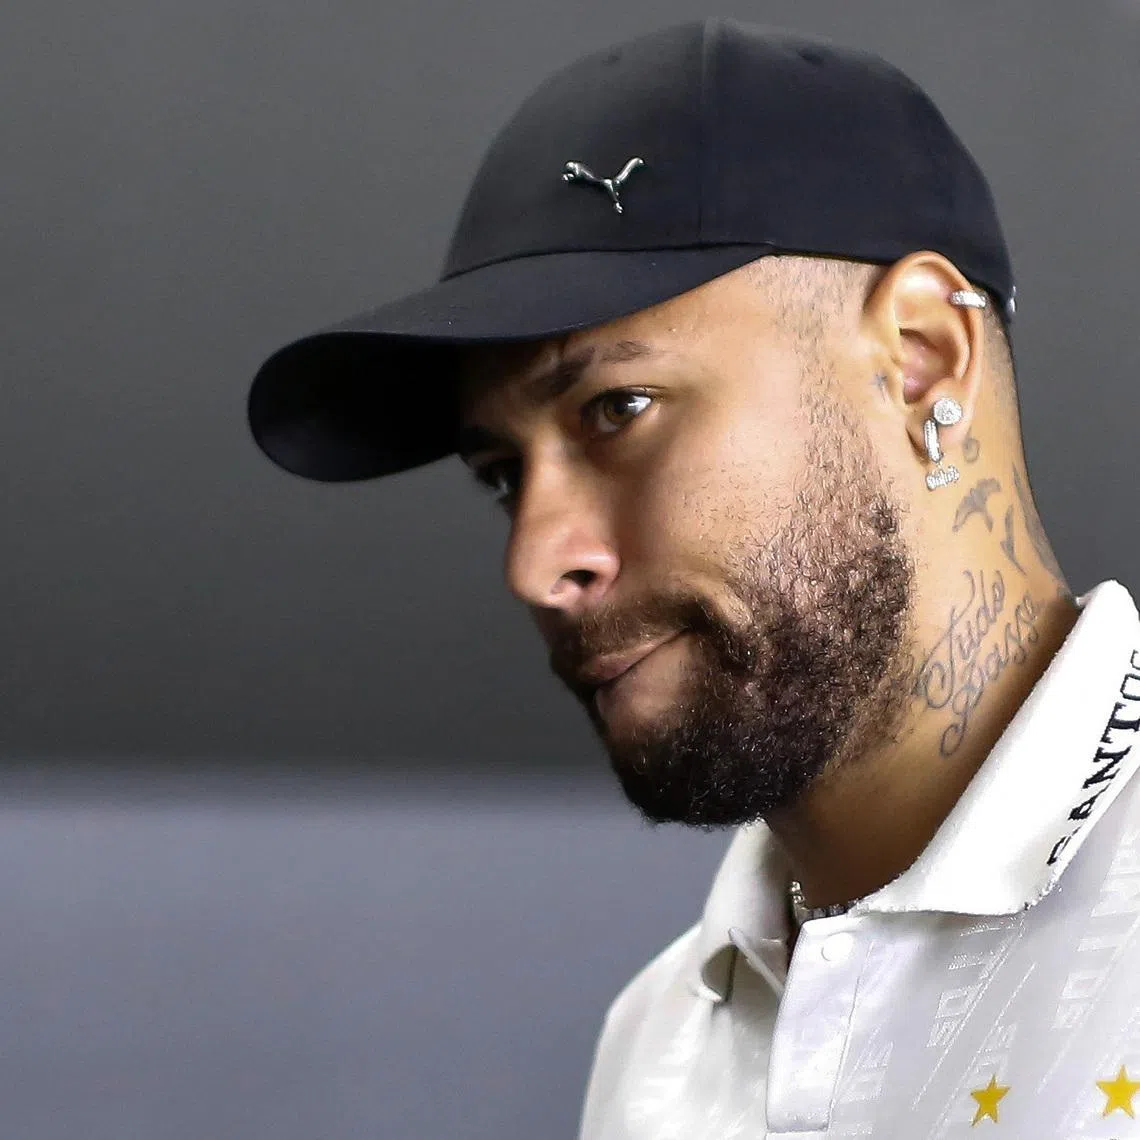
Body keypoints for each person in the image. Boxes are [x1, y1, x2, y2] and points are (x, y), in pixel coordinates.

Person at [246, 19, 1140, 1138]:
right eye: (500, 475)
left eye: (618, 410)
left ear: (919, 359)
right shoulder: (659, 1043)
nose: (536, 562)